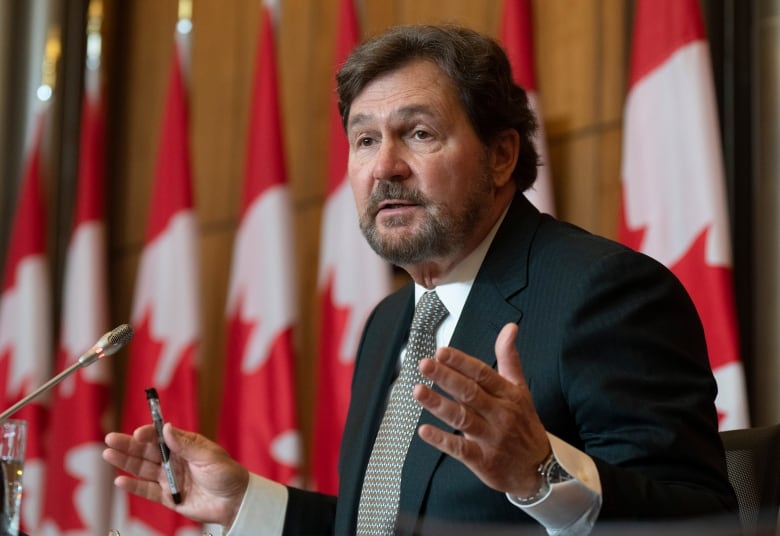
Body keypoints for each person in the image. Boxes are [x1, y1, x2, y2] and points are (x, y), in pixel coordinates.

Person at [103, 24, 738, 535]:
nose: (385, 167)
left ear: (500, 156)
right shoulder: (390, 323)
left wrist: (541, 475)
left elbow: (704, 521)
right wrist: (248, 503)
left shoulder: (603, 293)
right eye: (364, 140)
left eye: (419, 133)